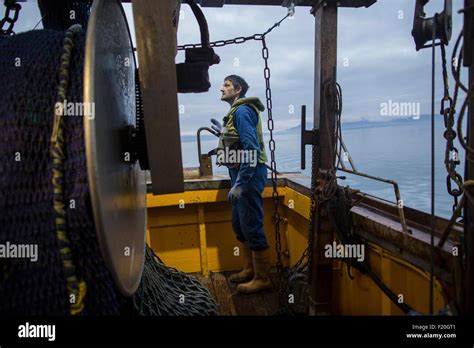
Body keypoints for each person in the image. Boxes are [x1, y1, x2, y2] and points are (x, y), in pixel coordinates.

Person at [214, 75, 271, 294]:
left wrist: (240, 183)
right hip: (239, 175)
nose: (222, 88)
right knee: (240, 225)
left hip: (249, 175)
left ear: (238, 90)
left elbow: (251, 149)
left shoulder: (242, 112)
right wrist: (223, 131)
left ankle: (263, 278)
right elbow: (237, 142)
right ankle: (249, 268)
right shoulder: (235, 113)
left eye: (226, 85)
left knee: (252, 225)